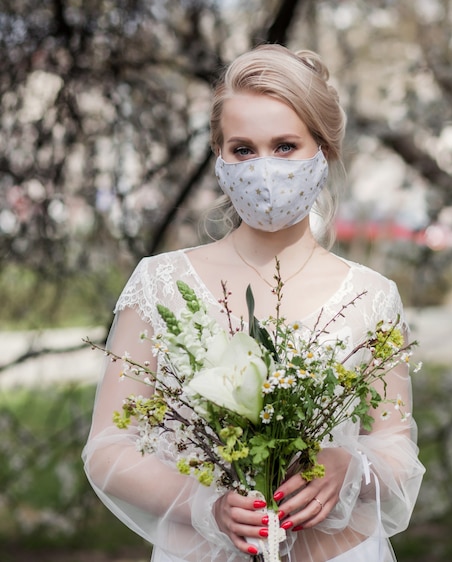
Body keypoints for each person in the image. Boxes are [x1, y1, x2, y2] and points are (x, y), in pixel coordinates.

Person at [83, 44, 424, 562]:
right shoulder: (162, 284)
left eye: (285, 146)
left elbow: (398, 449)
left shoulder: (371, 296)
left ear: (324, 151)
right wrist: (207, 504)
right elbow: (108, 446)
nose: (264, 168)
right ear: (219, 156)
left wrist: (351, 467)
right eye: (243, 149)